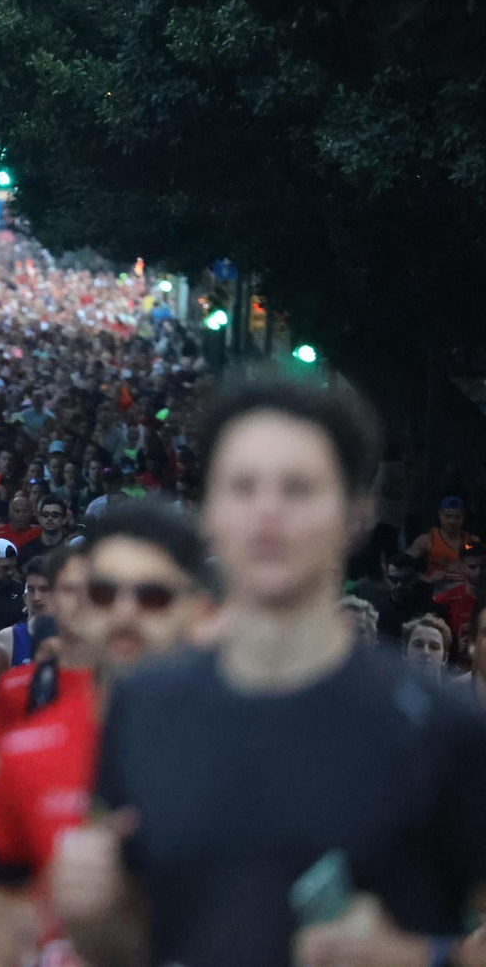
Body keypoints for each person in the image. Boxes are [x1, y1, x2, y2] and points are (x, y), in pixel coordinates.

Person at [55, 379, 486, 967]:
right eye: (242, 486)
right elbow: (134, 944)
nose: (268, 510)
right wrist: (93, 915)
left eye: (298, 488)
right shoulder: (146, 704)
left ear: (356, 514)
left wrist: (421, 957)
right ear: (207, 512)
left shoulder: (442, 724)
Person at [0, 500, 213, 967]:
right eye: (103, 593)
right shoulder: (24, 753)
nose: (125, 612)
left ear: (197, 610)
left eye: (152, 596)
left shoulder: (251, 749)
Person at [408, 495, 479, 591]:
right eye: (448, 516)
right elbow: (402, 565)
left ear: (463, 517)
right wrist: (426, 579)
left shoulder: (473, 541)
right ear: (440, 515)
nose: (452, 521)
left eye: (457, 517)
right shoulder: (427, 540)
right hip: (436, 596)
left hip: (466, 596)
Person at [0, 555, 53, 665]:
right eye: (31, 590)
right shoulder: (8, 637)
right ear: (25, 598)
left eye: (43, 589)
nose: (36, 597)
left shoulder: (73, 639)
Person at [404, 612, 451, 679]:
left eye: (434, 647)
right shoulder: (388, 688)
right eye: (418, 645)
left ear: (445, 658)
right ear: (404, 652)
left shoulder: (459, 689)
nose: (425, 652)